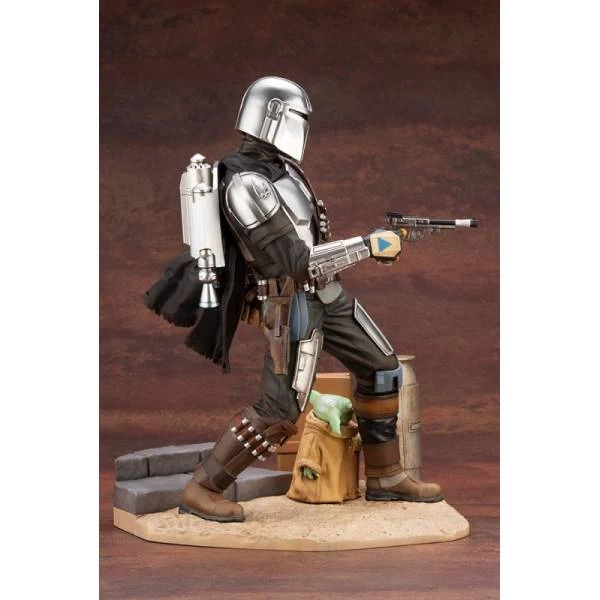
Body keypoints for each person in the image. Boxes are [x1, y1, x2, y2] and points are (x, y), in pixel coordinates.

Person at [145, 76, 443, 523]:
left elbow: (312, 244)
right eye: (299, 118)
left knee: (382, 368)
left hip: (327, 291)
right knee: (281, 410)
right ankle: (202, 487)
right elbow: (296, 262)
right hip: (290, 303)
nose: (303, 128)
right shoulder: (246, 185)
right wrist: (368, 245)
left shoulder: (284, 171)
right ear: (274, 116)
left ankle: (386, 478)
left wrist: (369, 247)